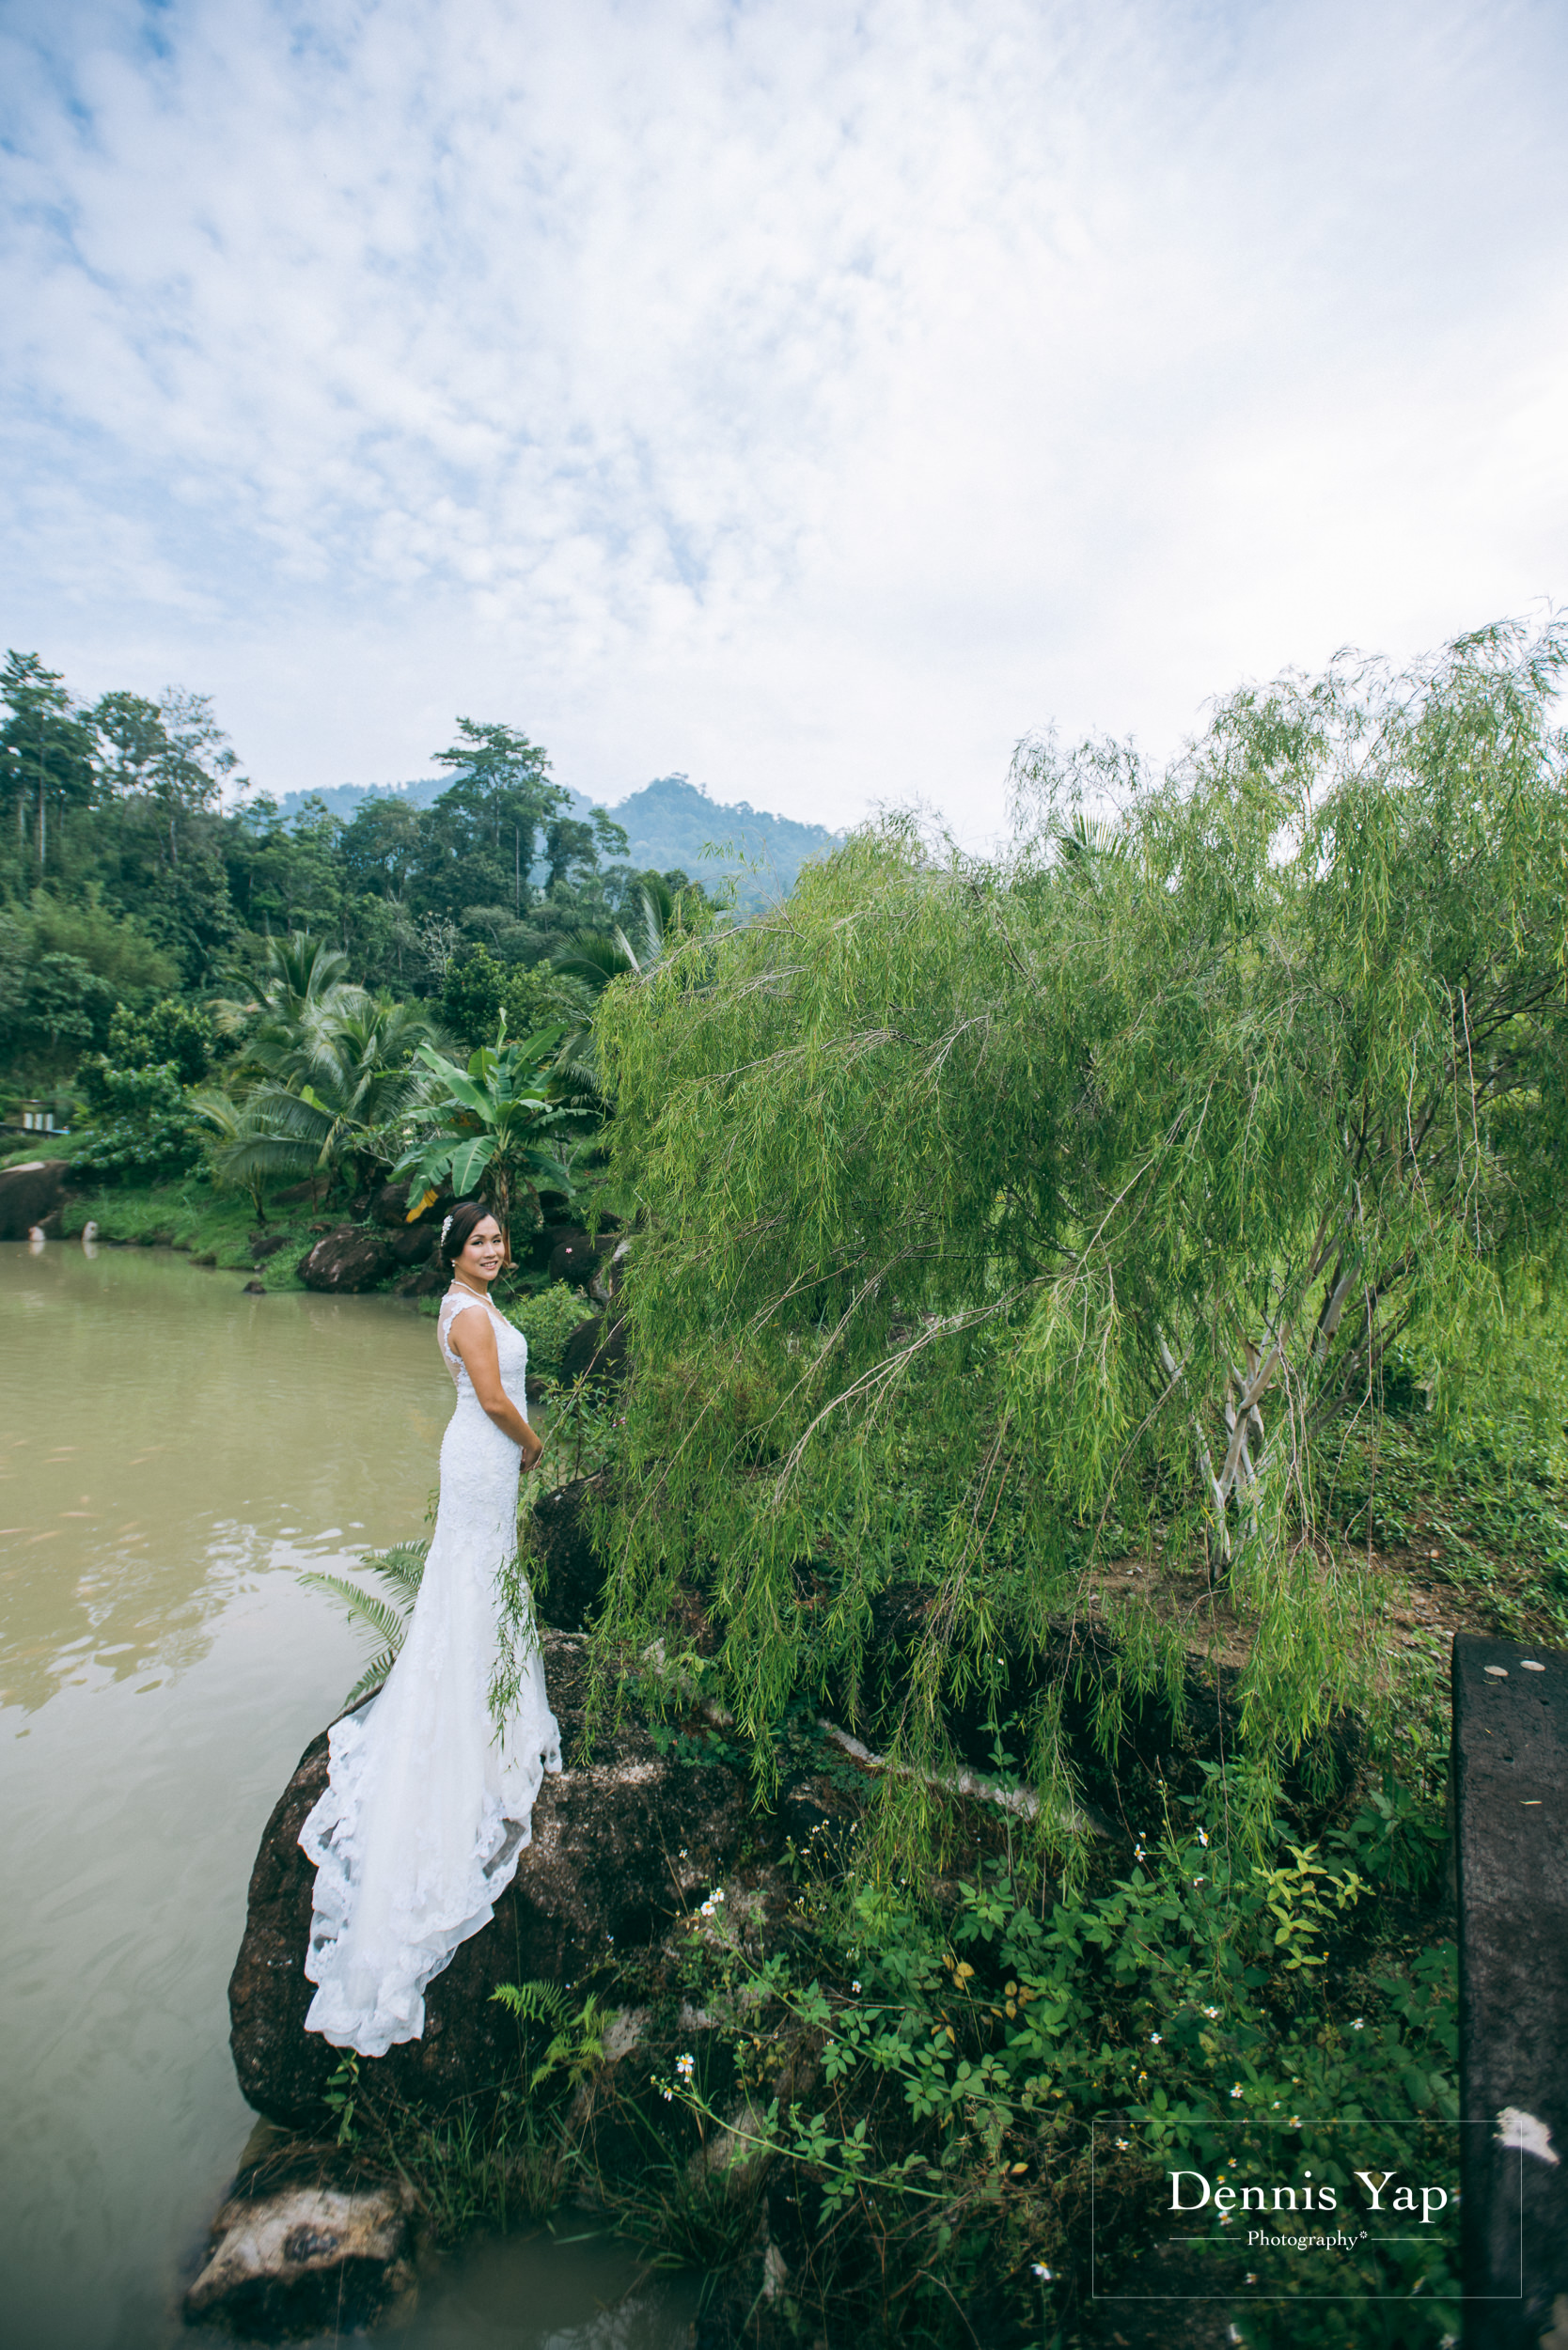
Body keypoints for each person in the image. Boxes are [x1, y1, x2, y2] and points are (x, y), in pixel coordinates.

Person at [298, 1201, 561, 2055]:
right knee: (478, 1576)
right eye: (478, 1240)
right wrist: (534, 1441)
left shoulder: (463, 1308)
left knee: (476, 1577)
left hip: (476, 1458)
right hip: (488, 1453)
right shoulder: (470, 1315)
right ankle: (473, 1724)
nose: (492, 1249)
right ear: (453, 1252)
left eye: (497, 1239)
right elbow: (491, 1397)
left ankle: (481, 1689)